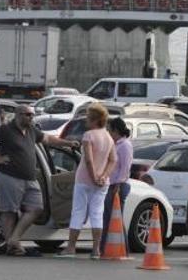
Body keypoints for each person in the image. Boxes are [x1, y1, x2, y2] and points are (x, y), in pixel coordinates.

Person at [0, 105, 78, 257]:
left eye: (32, 115)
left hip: (30, 178)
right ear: (18, 115)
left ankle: (14, 239)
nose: (31, 117)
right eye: (27, 115)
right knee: (9, 211)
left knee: (36, 208)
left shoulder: (32, 130)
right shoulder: (6, 130)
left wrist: (67, 143)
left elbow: (48, 139)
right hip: (9, 176)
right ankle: (11, 246)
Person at [58, 104, 117, 259]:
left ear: (95, 119)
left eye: (88, 118)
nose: (86, 121)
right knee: (97, 213)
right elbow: (113, 160)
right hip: (103, 182)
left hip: (84, 179)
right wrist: (103, 176)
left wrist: (93, 176)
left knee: (78, 212)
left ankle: (71, 248)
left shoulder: (88, 135)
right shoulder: (109, 137)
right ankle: (96, 250)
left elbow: (89, 161)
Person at [99, 117, 134, 254]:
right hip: (111, 184)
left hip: (118, 185)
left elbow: (125, 167)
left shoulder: (125, 145)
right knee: (108, 218)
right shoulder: (115, 144)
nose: (108, 133)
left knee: (115, 218)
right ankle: (105, 248)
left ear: (116, 130)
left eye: (110, 130)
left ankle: (122, 249)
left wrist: (118, 184)